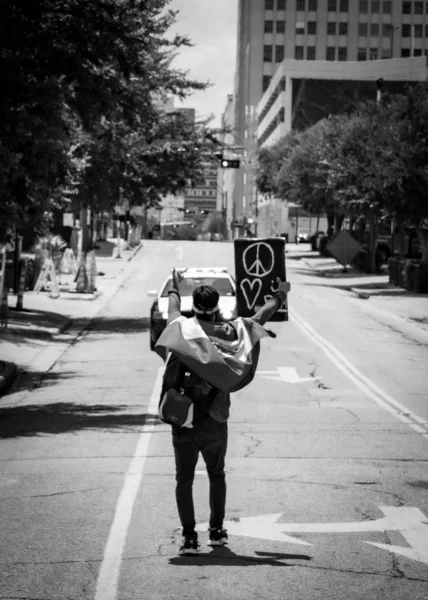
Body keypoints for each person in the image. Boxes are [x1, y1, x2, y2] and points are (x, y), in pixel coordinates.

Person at [155, 268, 291, 556]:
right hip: (216, 422)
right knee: (216, 474)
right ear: (217, 307)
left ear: (195, 307)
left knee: (184, 479)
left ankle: (189, 538)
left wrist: (175, 286)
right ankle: (216, 532)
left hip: (184, 421)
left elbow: (173, 308)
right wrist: (280, 294)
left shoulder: (181, 328)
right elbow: (259, 318)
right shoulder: (233, 332)